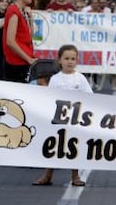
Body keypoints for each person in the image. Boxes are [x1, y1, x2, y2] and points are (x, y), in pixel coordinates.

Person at [33, 44, 91, 186]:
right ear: (59, 60)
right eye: (66, 58)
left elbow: (90, 97)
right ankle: (48, 175)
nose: (70, 61)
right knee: (55, 146)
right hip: (58, 119)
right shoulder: (55, 79)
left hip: (76, 119)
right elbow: (49, 98)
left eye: (73, 58)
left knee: (73, 147)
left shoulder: (81, 78)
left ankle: (75, 176)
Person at [3, 0, 36, 83]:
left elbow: (31, 36)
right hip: (17, 64)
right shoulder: (13, 11)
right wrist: (28, 59)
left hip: (24, 62)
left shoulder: (21, 11)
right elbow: (10, 41)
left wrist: (30, 17)